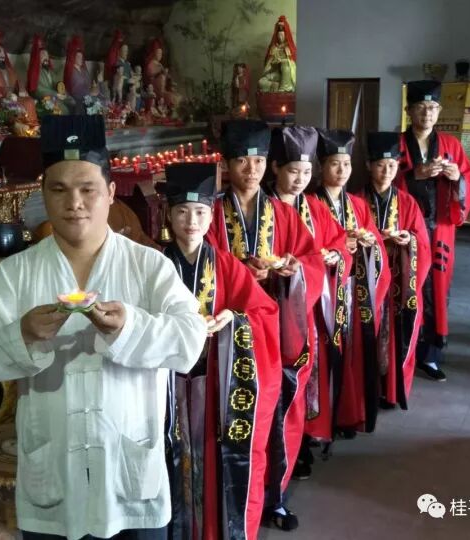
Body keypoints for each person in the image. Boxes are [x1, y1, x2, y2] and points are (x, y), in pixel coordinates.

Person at [0, 115, 207, 540]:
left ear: (110, 192)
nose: (73, 202)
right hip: (53, 476)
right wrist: (23, 334)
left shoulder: (149, 266)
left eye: (87, 189)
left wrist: (129, 327)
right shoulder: (16, 273)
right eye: (58, 189)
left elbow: (190, 341)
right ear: (43, 193)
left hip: (129, 475)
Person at [206, 119, 323, 531]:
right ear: (226, 164)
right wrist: (241, 271)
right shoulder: (210, 214)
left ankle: (275, 498)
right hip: (230, 336)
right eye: (242, 160)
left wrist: (293, 269)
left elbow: (310, 260)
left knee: (277, 417)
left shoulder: (283, 214)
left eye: (258, 160)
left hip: (278, 335)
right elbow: (203, 268)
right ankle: (229, 503)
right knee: (234, 423)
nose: (252, 169)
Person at [158, 162, 280, 540]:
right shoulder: (153, 265)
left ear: (211, 217)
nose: (191, 221)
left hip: (215, 391)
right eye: (181, 211)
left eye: (199, 212)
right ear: (168, 215)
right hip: (164, 390)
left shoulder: (228, 266)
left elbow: (265, 312)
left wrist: (235, 319)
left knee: (213, 469)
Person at [267, 126, 352, 481]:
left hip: (310, 311)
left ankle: (301, 439)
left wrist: (333, 256)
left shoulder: (315, 207)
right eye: (292, 171)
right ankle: (279, 448)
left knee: (305, 379)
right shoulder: (262, 211)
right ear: (275, 168)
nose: (300, 180)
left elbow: (340, 242)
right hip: (273, 312)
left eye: (306, 172)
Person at [398, 80, 470, 381]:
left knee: (437, 290)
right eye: (421, 107)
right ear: (409, 111)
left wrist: (457, 177)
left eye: (432, 107)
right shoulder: (396, 144)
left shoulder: (451, 145)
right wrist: (413, 175)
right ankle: (402, 350)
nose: (427, 113)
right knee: (407, 287)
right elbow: (381, 181)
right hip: (407, 229)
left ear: (439, 110)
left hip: (439, 229)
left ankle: (430, 355)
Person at [313, 128, 391, 438]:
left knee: (352, 354)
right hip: (324, 294)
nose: (342, 171)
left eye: (346, 164)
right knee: (324, 356)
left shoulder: (357, 205)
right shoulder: (310, 204)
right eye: (334, 164)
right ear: (321, 167)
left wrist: (370, 244)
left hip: (353, 291)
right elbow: (311, 246)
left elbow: (376, 243)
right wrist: (340, 246)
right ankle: (322, 420)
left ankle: (346, 414)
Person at [363, 131, 430, 410]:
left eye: (392, 166)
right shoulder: (356, 200)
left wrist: (408, 240)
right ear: (369, 166)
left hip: (399, 283)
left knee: (396, 336)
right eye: (380, 165)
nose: (387, 171)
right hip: (367, 283)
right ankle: (368, 390)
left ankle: (391, 391)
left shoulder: (407, 202)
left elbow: (422, 242)